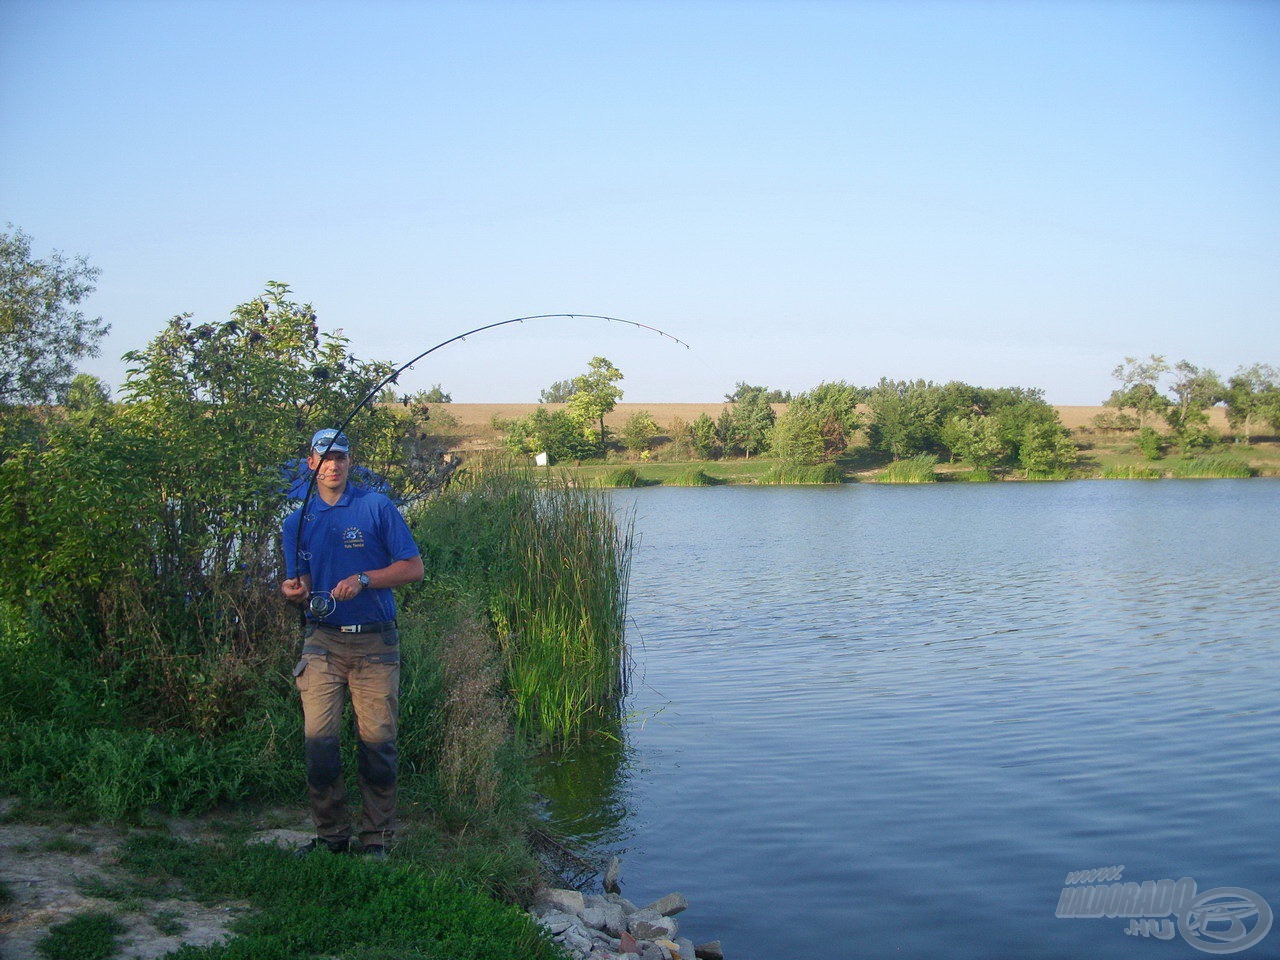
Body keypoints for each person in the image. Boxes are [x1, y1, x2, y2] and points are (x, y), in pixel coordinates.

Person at [281, 428, 424, 857]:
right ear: (311, 463)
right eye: (324, 457)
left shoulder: (376, 506)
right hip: (321, 643)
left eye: (340, 457)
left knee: (377, 746)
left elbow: (413, 568)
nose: (333, 465)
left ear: (349, 462)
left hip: (375, 645)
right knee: (319, 747)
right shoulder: (297, 520)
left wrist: (364, 580)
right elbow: (301, 580)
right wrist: (295, 590)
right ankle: (331, 837)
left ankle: (376, 838)